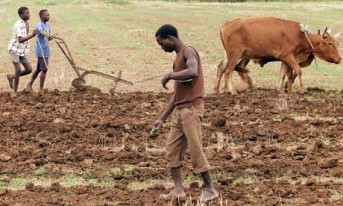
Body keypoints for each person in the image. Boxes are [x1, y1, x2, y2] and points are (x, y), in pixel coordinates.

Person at [153, 24, 218, 203]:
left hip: (191, 110)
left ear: (170, 38)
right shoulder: (178, 60)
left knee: (195, 149)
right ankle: (178, 190)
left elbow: (193, 71)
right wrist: (161, 118)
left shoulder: (188, 51)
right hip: (180, 111)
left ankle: (210, 189)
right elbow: (177, 94)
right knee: (172, 149)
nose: (162, 47)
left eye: (161, 43)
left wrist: (170, 75)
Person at [7, 7, 36, 97]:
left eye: (29, 13)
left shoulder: (27, 22)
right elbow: (20, 40)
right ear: (21, 15)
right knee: (18, 70)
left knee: (29, 69)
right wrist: (32, 35)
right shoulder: (18, 25)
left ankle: (11, 76)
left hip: (22, 50)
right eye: (26, 13)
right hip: (14, 49)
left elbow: (25, 36)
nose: (29, 15)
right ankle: (15, 92)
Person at [26, 9, 55, 92]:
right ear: (41, 16)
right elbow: (41, 32)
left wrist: (51, 37)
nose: (48, 17)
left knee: (39, 69)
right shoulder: (39, 24)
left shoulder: (48, 25)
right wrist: (48, 35)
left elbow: (47, 38)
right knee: (44, 69)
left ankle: (29, 85)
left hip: (46, 49)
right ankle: (41, 89)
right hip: (40, 50)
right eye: (46, 15)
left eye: (49, 15)